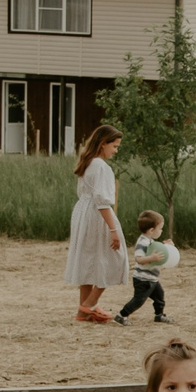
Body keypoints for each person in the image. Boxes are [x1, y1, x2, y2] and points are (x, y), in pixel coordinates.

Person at [64, 124, 127, 323]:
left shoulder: (89, 162)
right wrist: (113, 229)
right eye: (114, 146)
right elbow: (101, 201)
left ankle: (83, 314)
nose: (115, 151)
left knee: (88, 260)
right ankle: (89, 304)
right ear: (103, 144)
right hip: (96, 216)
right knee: (114, 259)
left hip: (83, 214)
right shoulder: (101, 167)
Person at [114, 210, 174, 325]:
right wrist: (152, 258)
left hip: (152, 278)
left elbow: (158, 251)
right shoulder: (142, 242)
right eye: (160, 228)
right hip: (142, 279)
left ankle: (159, 315)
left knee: (159, 297)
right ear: (152, 230)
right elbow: (139, 259)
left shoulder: (150, 241)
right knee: (139, 300)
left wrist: (168, 247)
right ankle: (121, 315)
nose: (161, 231)